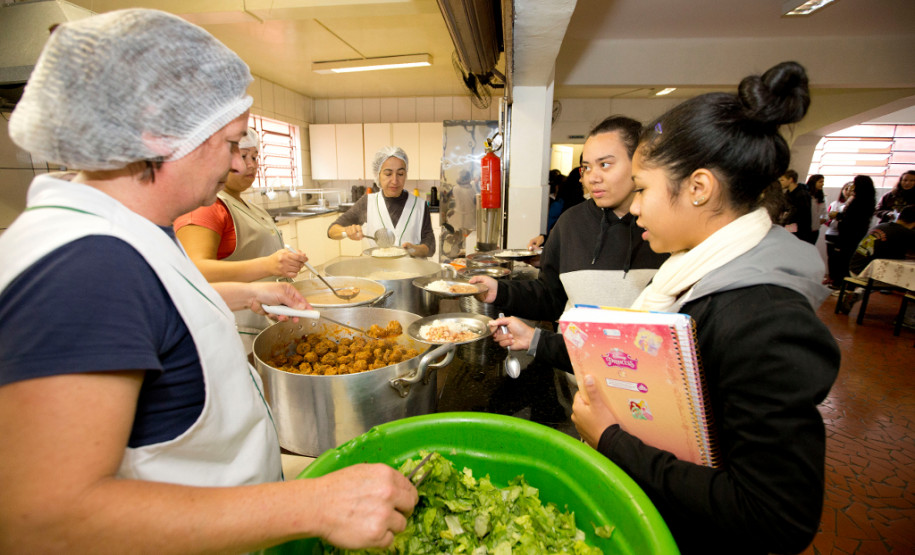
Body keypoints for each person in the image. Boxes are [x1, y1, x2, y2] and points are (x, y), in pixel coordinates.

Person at [0, 9, 416, 553]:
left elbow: (149, 312)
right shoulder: (82, 269)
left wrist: (242, 292)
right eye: (230, 142)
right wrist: (313, 503)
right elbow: (43, 520)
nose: (233, 165)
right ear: (161, 135)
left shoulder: (125, 235)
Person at [571, 61, 840, 555]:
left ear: (698, 188)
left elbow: (774, 517)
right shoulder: (690, 276)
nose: (634, 207)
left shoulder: (765, 320)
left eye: (645, 189)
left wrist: (611, 439)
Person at [472, 116, 668, 371]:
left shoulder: (666, 231)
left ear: (639, 163)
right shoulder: (570, 224)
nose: (592, 177)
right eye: (586, 167)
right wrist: (500, 291)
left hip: (647, 387)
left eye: (605, 164)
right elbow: (551, 296)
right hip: (575, 376)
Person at [174, 127, 308, 350]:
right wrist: (269, 265)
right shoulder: (205, 208)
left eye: (254, 157)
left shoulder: (247, 205)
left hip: (266, 323)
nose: (251, 164)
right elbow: (194, 271)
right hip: (235, 331)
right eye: (242, 156)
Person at [327, 146, 435, 257]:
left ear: (406, 174)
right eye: (388, 174)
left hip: (414, 272)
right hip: (378, 272)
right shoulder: (368, 203)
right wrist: (346, 231)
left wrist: (414, 249)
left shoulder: (420, 205)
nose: (395, 180)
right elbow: (331, 231)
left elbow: (430, 247)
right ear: (378, 175)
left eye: (400, 174)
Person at [838, 205, 915, 313]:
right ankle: (909, 316)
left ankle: (857, 293)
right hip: (868, 273)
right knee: (910, 280)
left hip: (854, 267)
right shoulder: (907, 233)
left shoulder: (882, 225)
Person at [833, 174, 877, 285]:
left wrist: (839, 216)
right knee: (846, 258)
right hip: (856, 233)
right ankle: (843, 282)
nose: (852, 186)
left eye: (854, 183)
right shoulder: (868, 200)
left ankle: (841, 283)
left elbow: (851, 219)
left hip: (850, 234)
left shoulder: (859, 201)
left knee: (844, 258)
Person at [823, 180, 853, 287]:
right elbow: (826, 219)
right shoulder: (835, 204)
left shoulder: (853, 205)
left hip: (843, 236)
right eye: (846, 189)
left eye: (852, 190)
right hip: (832, 233)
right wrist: (831, 217)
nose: (848, 192)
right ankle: (831, 277)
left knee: (840, 259)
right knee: (831, 257)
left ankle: (839, 280)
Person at [779, 169, 812, 242]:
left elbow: (803, 218)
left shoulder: (802, 195)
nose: (780, 183)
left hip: (799, 234)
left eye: (782, 180)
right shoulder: (787, 194)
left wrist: (786, 228)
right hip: (788, 231)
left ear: (790, 180)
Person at [806, 173, 827, 244]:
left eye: (823, 182)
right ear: (813, 182)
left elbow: (825, 213)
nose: (822, 184)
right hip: (804, 230)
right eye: (820, 182)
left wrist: (824, 219)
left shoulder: (821, 197)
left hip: (815, 231)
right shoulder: (806, 195)